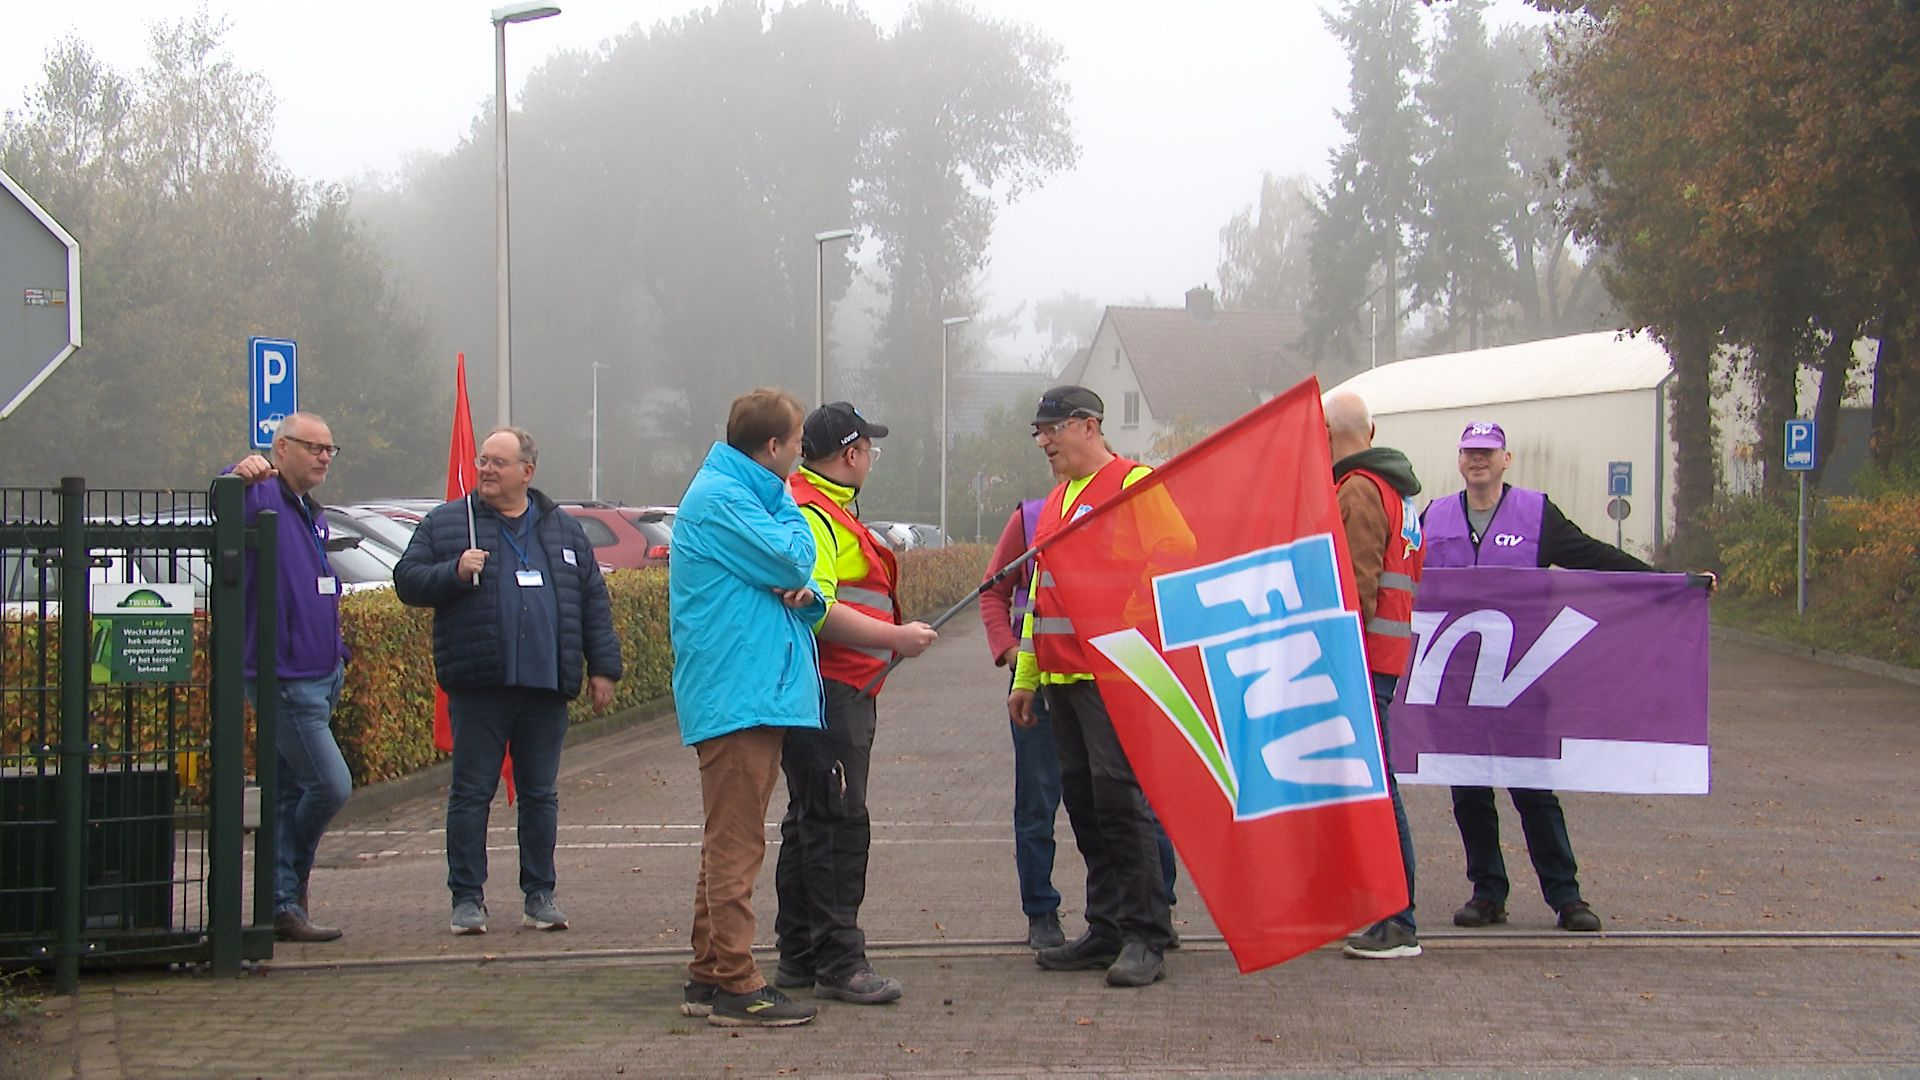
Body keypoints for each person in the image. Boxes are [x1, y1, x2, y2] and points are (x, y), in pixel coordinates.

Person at [1423, 420, 1651, 934]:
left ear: (1507, 459)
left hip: (1521, 680)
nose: (1478, 460)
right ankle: (1487, 893)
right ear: (1460, 461)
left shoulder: (1535, 514)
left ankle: (1566, 897)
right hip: (1454, 685)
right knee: (1470, 793)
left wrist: (1668, 582)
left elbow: (1594, 557)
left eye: (1488, 452)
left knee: (1534, 790)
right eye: (1469, 452)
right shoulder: (1433, 518)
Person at [394, 426, 622, 938]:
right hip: (481, 685)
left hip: (545, 688)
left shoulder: (562, 530)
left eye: (500, 462)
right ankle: (467, 899)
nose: (488, 470)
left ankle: (539, 895)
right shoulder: (450, 524)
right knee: (471, 794)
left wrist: (603, 667)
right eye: (483, 461)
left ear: (528, 471)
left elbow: (592, 603)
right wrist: (453, 570)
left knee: (540, 795)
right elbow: (406, 580)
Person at [1007, 385, 1189, 989]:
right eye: (1039, 431)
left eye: (1051, 428)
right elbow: (1040, 596)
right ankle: (1108, 926)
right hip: (1062, 681)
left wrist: (1119, 625)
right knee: (1085, 804)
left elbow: (1175, 560)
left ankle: (1146, 933)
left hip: (1110, 677)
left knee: (1121, 803)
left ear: (1089, 425)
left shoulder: (1134, 485)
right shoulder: (1058, 501)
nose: (1043, 441)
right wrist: (1028, 676)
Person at [669, 388, 826, 1029]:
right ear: (773, 448)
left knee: (728, 840)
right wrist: (790, 516)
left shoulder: (741, 494)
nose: (801, 455)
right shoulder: (726, 500)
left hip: (750, 690)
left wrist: (801, 585)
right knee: (736, 844)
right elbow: (796, 556)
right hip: (739, 695)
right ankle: (738, 982)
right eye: (796, 444)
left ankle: (710, 971)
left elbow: (793, 580)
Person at [772, 402, 936, 1006]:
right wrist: (897, 638)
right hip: (830, 693)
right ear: (851, 454)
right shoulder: (814, 517)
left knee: (811, 821)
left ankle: (799, 954)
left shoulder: (822, 508)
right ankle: (840, 961)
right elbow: (816, 607)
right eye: (869, 448)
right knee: (838, 824)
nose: (870, 458)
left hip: (833, 692)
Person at [227, 412, 352, 943]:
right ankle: (287, 881)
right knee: (330, 786)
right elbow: (223, 506)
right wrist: (235, 473)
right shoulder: (261, 495)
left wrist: (338, 654)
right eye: (313, 447)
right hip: (284, 677)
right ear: (280, 448)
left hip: (320, 673)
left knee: (285, 792)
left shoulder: (310, 512)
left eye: (330, 449)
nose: (324, 456)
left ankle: (281, 904)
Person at [1324, 391, 1426, 960]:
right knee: (1375, 786)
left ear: (1327, 435)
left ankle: (1398, 918)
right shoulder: (1399, 492)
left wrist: (1334, 655)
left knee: (1378, 791)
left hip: (1360, 659)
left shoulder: (1358, 490)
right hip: (1385, 659)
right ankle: (1384, 911)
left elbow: (1352, 586)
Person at [979, 499, 1067, 950]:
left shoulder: (1125, 503)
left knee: (1126, 803)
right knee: (1036, 804)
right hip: (1037, 684)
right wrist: (1011, 652)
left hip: (1109, 683)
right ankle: (1041, 913)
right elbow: (993, 590)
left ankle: (1145, 908)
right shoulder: (1031, 519)